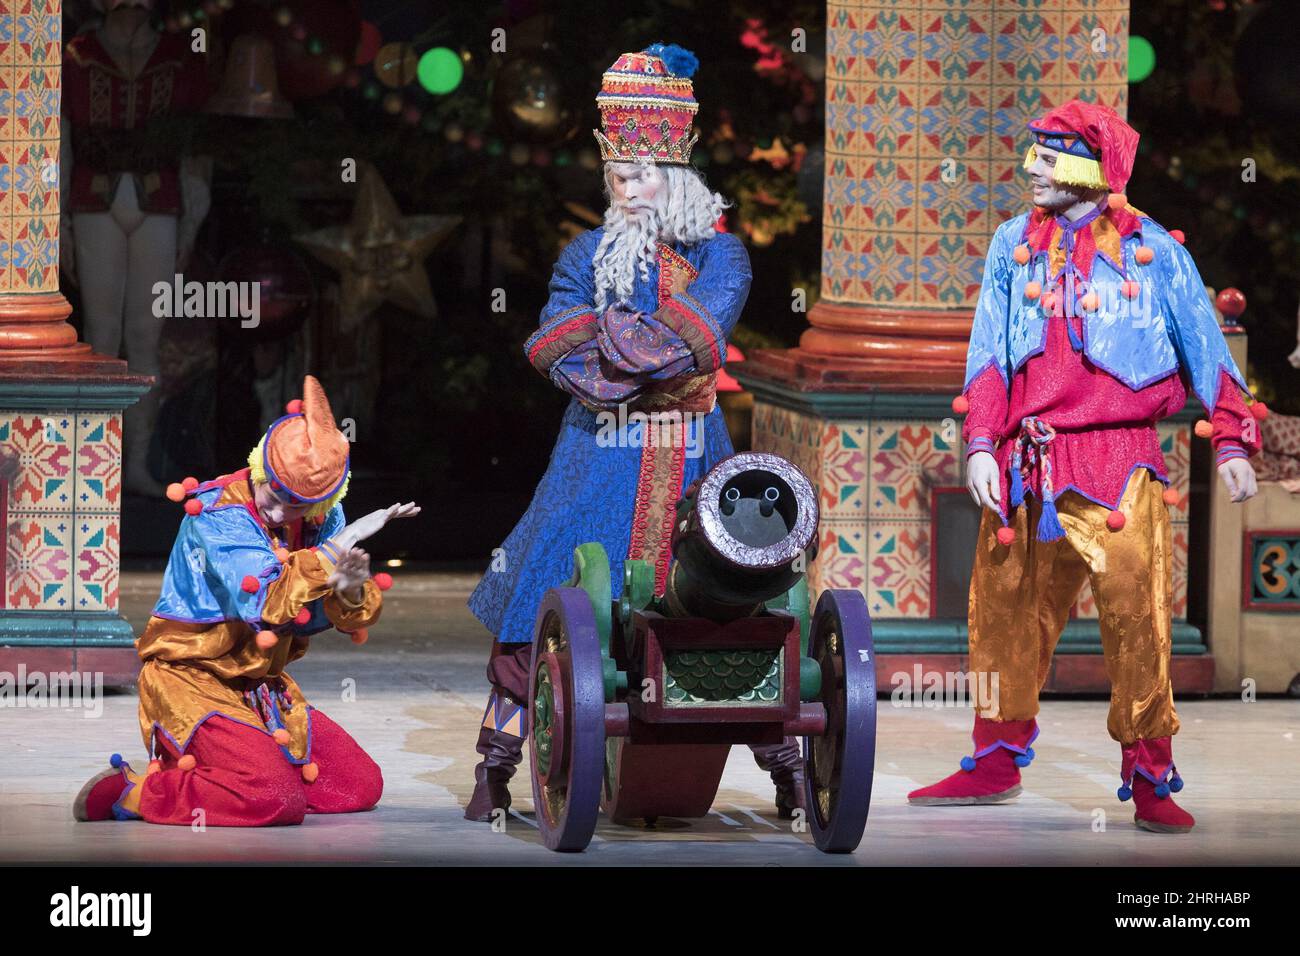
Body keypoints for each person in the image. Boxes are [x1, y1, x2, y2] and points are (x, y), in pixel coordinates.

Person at [466, 43, 806, 823]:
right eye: (619, 173)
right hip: (593, 454)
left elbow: (694, 338)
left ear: (678, 170)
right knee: (542, 592)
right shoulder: (584, 253)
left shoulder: (722, 254)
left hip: (692, 450)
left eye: (645, 172)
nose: (631, 187)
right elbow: (554, 343)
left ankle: (785, 759)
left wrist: (621, 341)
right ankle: (496, 766)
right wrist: (637, 351)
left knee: (726, 600)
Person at [907, 100, 1266, 833]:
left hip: (1117, 452)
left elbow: (1206, 345)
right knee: (1003, 613)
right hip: (1026, 456)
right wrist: (981, 442)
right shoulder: (1013, 245)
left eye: (1049, 156)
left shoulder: (1152, 251)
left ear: (1096, 169)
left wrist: (1230, 441)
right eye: (1033, 153)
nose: (1030, 169)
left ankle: (1150, 775)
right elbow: (988, 354)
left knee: (1137, 618)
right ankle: (997, 758)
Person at [73, 375, 420, 826]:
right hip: (191, 681)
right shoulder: (218, 514)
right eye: (274, 494)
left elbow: (343, 607)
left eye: (296, 506)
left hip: (259, 687)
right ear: (261, 469)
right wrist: (346, 541)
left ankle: (243, 772)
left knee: (358, 785)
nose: (278, 512)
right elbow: (270, 602)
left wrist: (351, 586)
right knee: (275, 799)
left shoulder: (321, 514)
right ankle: (137, 792)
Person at [61, 0, 213, 496]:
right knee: (101, 334)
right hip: (94, 196)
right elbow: (61, 135)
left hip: (158, 198)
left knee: (146, 335)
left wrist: (193, 215)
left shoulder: (180, 54)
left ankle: (138, 466)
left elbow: (194, 145)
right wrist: (57, 216)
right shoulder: (75, 53)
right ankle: (96, 463)